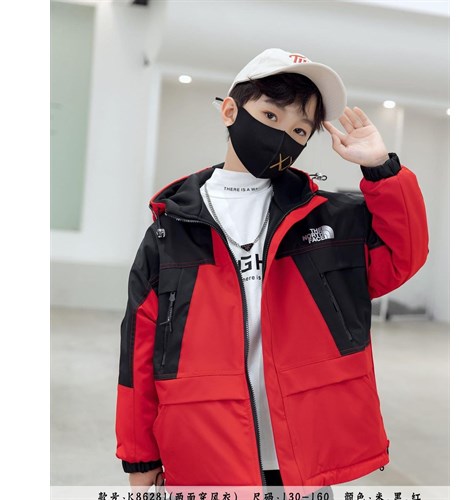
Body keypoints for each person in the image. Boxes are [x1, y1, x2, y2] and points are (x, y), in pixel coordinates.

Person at [115, 48, 429, 492]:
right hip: (205, 452)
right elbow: (139, 353)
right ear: (230, 111)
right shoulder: (172, 230)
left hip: (303, 456)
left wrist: (381, 169)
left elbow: (402, 255)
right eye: (270, 115)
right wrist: (139, 456)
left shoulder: (328, 220)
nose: (282, 135)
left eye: (299, 129)